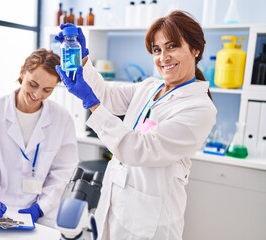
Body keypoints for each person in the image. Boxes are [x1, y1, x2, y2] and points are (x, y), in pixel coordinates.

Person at [55, 11, 217, 240]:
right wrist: (82, 59)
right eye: (157, 50)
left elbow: (140, 149)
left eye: (172, 47)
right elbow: (108, 96)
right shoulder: (150, 87)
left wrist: (91, 104)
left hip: (152, 224)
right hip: (116, 208)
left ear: (195, 49)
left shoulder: (199, 108)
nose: (163, 57)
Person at [0, 48, 78, 227]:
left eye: (47, 90)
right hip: (1, 209)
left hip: (44, 214)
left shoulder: (62, 119)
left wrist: (41, 207)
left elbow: (63, 172)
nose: (37, 94)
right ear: (22, 73)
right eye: (33, 84)